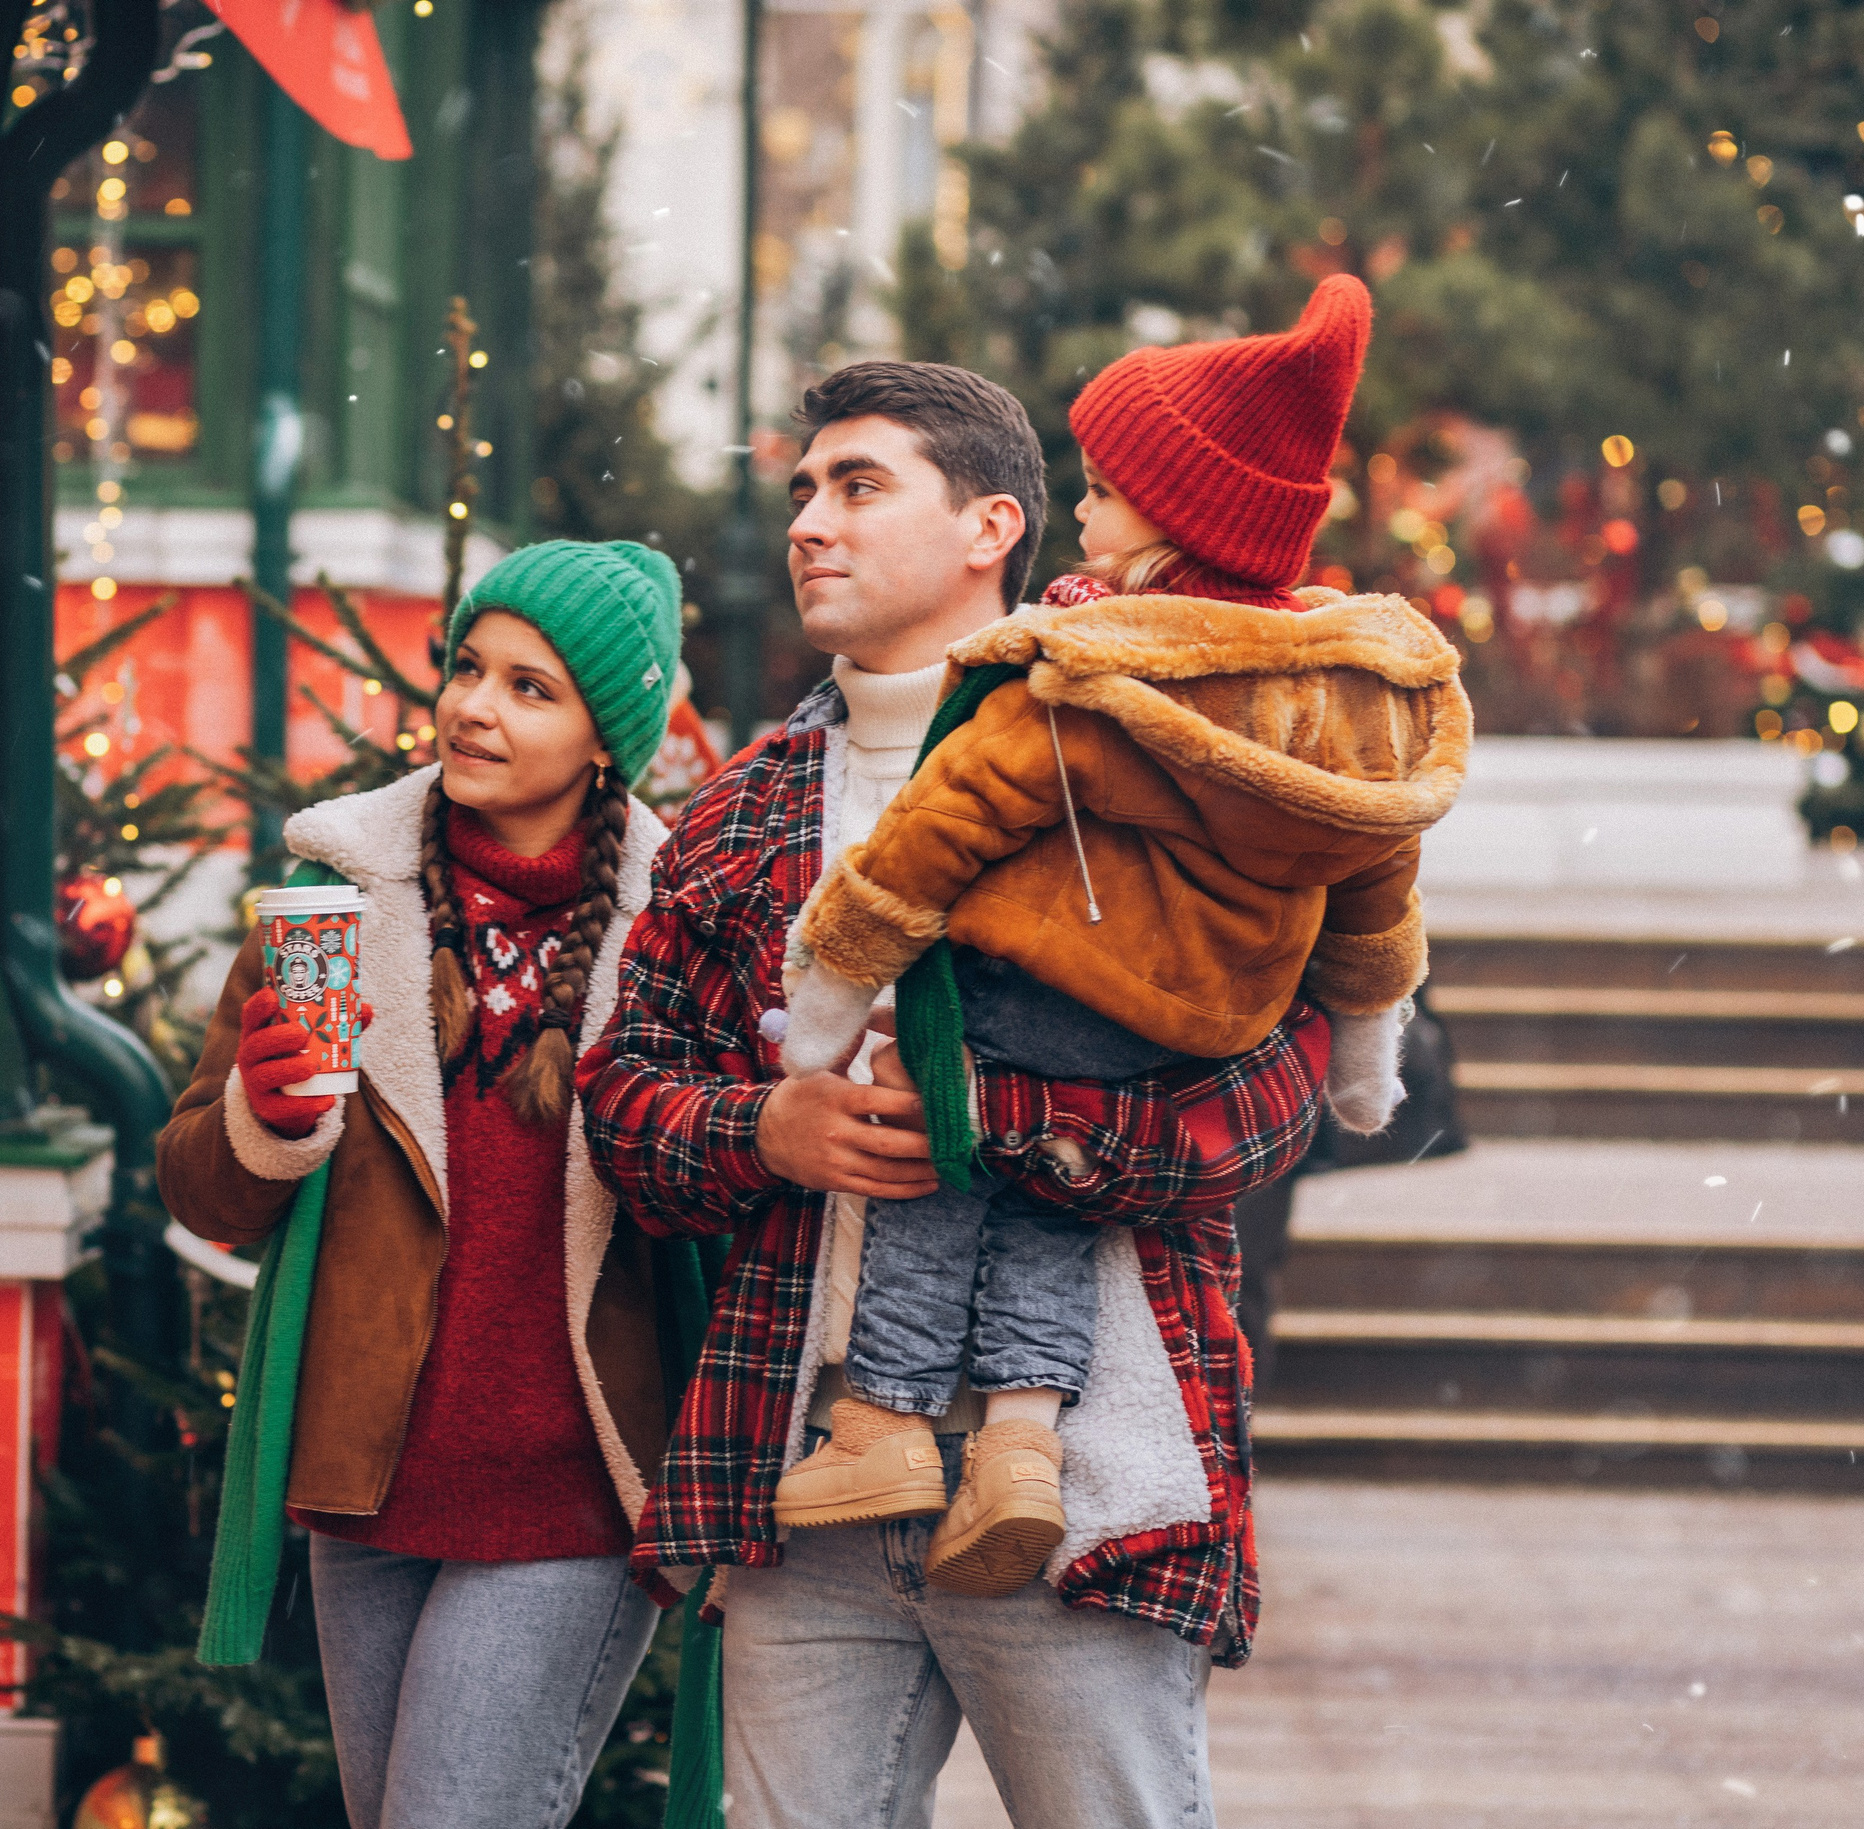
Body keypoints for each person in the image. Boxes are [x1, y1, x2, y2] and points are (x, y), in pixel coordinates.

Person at [578, 362, 1330, 1829]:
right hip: (810, 1465)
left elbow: (1285, 1080)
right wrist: (767, 1131)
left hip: (1083, 1472)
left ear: (993, 526)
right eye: (802, 489)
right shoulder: (745, 806)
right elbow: (624, 1095)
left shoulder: (1150, 747)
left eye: (859, 485)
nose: (810, 521)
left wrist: (1032, 1129)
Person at [769, 275, 1471, 1596]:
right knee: (1046, 1199)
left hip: (1029, 986)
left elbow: (944, 823)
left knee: (946, 1147)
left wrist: (836, 980)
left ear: (1175, 515)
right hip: (1182, 1030)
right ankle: (1022, 1443)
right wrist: (1369, 1054)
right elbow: (1380, 906)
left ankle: (885, 1418)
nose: (1081, 509)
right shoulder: (1354, 698)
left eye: (1102, 487)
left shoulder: (1086, 673)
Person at [159, 540, 684, 1829]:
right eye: (467, 667)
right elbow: (201, 1190)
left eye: (531, 688)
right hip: (367, 1481)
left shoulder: (679, 925)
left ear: (608, 737)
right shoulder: (338, 896)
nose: (474, 706)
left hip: (575, 1489)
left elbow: (714, 1192)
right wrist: (268, 1114)